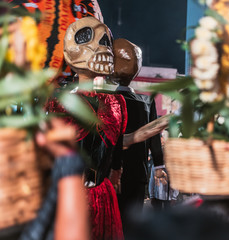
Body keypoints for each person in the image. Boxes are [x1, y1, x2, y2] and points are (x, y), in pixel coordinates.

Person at [46, 17, 126, 239]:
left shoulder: (59, 103)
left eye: (107, 41)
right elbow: (117, 159)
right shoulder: (116, 104)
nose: (105, 47)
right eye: (93, 39)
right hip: (99, 193)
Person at [112, 38, 166, 234]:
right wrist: (159, 165)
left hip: (111, 173)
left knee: (112, 222)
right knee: (131, 225)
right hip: (137, 172)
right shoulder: (145, 102)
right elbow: (155, 137)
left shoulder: (105, 99)